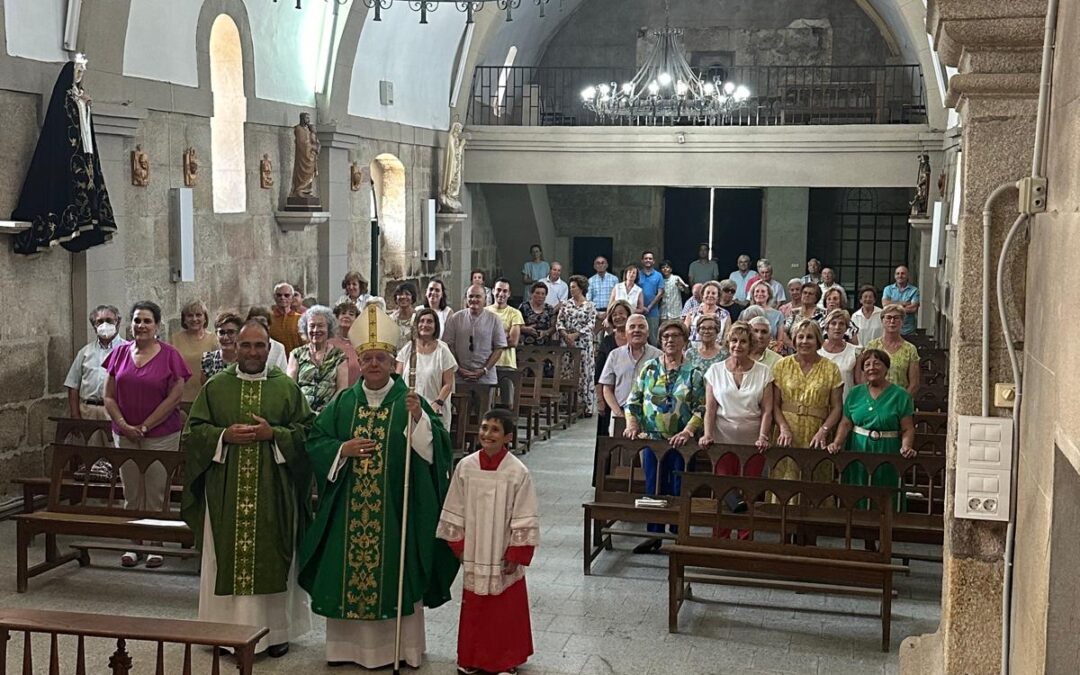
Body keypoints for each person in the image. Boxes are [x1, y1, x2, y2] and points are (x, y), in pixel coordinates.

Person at [298, 303, 458, 669]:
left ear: (392, 364)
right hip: (348, 511)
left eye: (380, 359)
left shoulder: (409, 401)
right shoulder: (343, 403)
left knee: (395, 575)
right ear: (360, 362)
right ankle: (345, 650)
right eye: (367, 358)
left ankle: (398, 649)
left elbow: (437, 452)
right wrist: (342, 449)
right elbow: (316, 441)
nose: (373, 365)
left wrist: (420, 420)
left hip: (396, 511)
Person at [180, 319, 314, 657]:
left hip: (274, 492)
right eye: (246, 345)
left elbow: (308, 432)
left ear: (269, 349)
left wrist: (277, 435)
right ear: (235, 347)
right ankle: (223, 633)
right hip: (225, 494)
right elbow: (193, 433)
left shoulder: (285, 387)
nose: (253, 352)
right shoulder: (215, 387)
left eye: (259, 346)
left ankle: (276, 633)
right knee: (223, 555)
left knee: (274, 554)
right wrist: (223, 436)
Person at [437, 408, 538, 675]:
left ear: (508, 436)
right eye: (483, 428)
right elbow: (454, 507)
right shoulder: (466, 467)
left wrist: (516, 552)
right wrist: (457, 544)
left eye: (494, 429)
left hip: (502, 550)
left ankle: (505, 660)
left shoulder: (517, 472)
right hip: (474, 548)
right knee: (475, 607)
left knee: (504, 608)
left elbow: (524, 513)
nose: (487, 434)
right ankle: (471, 657)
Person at [103, 300, 191, 569]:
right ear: (130, 325)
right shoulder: (119, 354)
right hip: (125, 433)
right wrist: (125, 424)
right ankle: (133, 544)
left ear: (157, 325)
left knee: (155, 492)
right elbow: (108, 396)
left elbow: (175, 396)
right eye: (137, 320)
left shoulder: (170, 355)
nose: (141, 326)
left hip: (161, 434)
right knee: (131, 491)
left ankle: (155, 544)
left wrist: (146, 426)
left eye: (147, 321)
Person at [623, 320, 704, 553]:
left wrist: (688, 431)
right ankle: (653, 534)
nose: (670, 340)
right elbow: (633, 401)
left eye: (676, 336)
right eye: (666, 336)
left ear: (685, 341)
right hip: (652, 439)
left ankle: (679, 532)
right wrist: (632, 423)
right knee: (654, 485)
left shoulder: (694, 373)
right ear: (661, 340)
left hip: (682, 441)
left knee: (679, 486)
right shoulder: (649, 368)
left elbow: (701, 408)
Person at [700, 321, 774, 538]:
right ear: (727, 343)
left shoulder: (764, 372)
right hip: (723, 439)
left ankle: (745, 536)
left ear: (750, 344)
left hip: (753, 441)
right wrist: (707, 434)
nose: (738, 345)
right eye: (733, 340)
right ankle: (721, 535)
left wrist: (763, 436)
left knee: (749, 490)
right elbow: (710, 408)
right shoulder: (715, 370)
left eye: (743, 341)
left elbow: (767, 410)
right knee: (725, 489)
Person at [828, 348, 917, 511]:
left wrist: (906, 446)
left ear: (886, 367)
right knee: (858, 490)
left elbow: (907, 428)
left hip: (888, 450)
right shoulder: (855, 393)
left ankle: (885, 529)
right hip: (859, 448)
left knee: (885, 492)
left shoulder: (900, 395)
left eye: (877, 363)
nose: (872, 368)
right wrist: (837, 443)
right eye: (867, 364)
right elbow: (846, 423)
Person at [771, 320, 843, 485]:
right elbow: (774, 404)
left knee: (814, 481)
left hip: (816, 431)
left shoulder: (831, 368)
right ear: (794, 340)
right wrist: (783, 427)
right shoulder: (782, 365)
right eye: (800, 337)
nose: (804, 341)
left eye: (809, 337)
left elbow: (837, 407)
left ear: (818, 340)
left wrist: (823, 431)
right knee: (787, 480)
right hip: (787, 432)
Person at [65, 305, 126, 438]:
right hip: (88, 412)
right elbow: (73, 385)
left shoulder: (128, 350)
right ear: (94, 326)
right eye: (99, 321)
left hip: (116, 412)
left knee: (115, 454)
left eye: (109, 321)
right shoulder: (85, 352)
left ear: (118, 322)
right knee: (89, 454)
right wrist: (75, 416)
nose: (105, 325)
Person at [599, 314, 662, 437]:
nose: (636, 330)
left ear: (648, 333)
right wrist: (619, 413)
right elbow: (607, 388)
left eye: (641, 327)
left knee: (646, 454)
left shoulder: (659, 356)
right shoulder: (614, 355)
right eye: (632, 327)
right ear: (626, 333)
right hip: (619, 414)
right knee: (618, 454)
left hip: (649, 418)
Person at [397, 308, 458, 431]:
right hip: (409, 408)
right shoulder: (408, 348)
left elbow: (448, 384)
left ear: (436, 326)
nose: (425, 325)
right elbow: (397, 378)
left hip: (434, 408)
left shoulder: (443, 350)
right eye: (422, 321)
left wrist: (438, 402)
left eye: (429, 321)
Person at [286, 305, 347, 414]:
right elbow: (290, 388)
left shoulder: (339, 356)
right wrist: (304, 412)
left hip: (330, 414)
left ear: (329, 328)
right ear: (306, 328)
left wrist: (326, 412)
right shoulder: (296, 354)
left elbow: (342, 389)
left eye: (320, 326)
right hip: (301, 414)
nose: (315, 330)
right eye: (312, 326)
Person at [444, 284, 507, 386]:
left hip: (486, 378)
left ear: (485, 299)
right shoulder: (455, 318)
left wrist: (484, 370)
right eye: (471, 296)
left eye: (478, 296)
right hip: (459, 377)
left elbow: (499, 348)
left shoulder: (494, 320)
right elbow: (448, 346)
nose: (474, 299)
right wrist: (458, 369)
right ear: (466, 299)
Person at [557, 275, 597, 415]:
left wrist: (576, 334)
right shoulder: (566, 304)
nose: (571, 289)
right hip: (567, 344)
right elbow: (559, 321)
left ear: (581, 288)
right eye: (570, 287)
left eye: (573, 287)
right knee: (567, 372)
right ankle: (565, 404)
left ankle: (585, 405)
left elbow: (591, 324)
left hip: (583, 343)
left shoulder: (590, 305)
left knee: (584, 372)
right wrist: (564, 334)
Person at [864, 304, 921, 396]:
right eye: (888, 317)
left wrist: (902, 401)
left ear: (902, 322)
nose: (892, 321)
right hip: (874, 399)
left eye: (896, 318)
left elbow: (914, 384)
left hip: (899, 401)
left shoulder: (910, 349)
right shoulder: (872, 346)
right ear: (882, 321)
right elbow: (864, 377)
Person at [594, 300, 632, 436]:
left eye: (621, 313)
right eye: (614, 314)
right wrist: (600, 400)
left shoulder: (639, 339)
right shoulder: (607, 341)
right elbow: (598, 373)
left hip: (632, 396)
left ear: (628, 315)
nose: (618, 317)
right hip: (609, 395)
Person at [171, 299, 218, 404]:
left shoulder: (213, 340)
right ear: (184, 319)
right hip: (179, 398)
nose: (194, 319)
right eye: (190, 315)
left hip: (205, 398)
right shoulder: (175, 339)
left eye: (198, 315)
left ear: (205, 318)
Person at [487, 278, 525, 406]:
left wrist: (491, 338)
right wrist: (504, 334)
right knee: (487, 401)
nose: (501, 294)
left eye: (505, 291)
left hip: (506, 363)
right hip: (487, 363)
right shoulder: (485, 312)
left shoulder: (515, 313)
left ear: (509, 294)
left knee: (507, 402)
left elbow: (513, 341)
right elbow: (480, 339)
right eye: (498, 290)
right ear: (493, 291)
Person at [819, 309, 861, 401]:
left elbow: (859, 383)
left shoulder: (855, 352)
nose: (837, 327)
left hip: (846, 403)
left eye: (841, 324)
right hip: (820, 405)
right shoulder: (817, 350)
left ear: (846, 328)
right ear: (827, 327)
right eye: (833, 323)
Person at [684, 280, 731, 346]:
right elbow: (684, 332)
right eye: (707, 292)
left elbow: (726, 336)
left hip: (716, 350)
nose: (710, 295)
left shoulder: (725, 314)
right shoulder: (692, 312)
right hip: (693, 349)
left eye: (713, 293)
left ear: (718, 297)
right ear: (703, 295)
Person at [782, 282, 825, 352]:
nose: (807, 295)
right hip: (792, 351)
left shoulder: (822, 315)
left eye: (810, 294)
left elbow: (822, 338)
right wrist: (795, 346)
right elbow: (783, 332)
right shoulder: (794, 313)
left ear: (816, 298)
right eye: (805, 293)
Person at [201, 312, 244, 381]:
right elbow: (205, 388)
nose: (225, 337)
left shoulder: (245, 360)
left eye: (231, 332)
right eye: (221, 332)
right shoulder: (208, 360)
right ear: (216, 334)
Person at [246, 307, 289, 372]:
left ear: (269, 325)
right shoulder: (243, 345)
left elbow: (283, 373)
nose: (259, 324)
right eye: (255, 321)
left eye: (262, 321)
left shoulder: (278, 347)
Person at [330, 302, 362, 386]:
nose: (346, 316)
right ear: (337, 318)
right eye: (343, 313)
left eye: (351, 314)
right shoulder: (328, 342)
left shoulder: (362, 343)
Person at [882, 265, 920, 335]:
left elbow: (913, 308)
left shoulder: (914, 290)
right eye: (898, 273)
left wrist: (892, 306)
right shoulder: (888, 289)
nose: (900, 276)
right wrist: (904, 303)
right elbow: (885, 305)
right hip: (891, 329)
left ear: (908, 276)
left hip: (908, 330)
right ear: (895, 276)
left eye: (903, 273)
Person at [637, 251, 665, 342]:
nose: (648, 260)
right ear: (642, 261)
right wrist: (641, 307)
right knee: (638, 338)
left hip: (653, 312)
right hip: (638, 311)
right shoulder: (637, 274)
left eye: (650, 259)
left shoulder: (658, 275)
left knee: (653, 339)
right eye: (645, 258)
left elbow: (660, 293)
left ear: (653, 261)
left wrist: (649, 307)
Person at [270, 282, 304, 354]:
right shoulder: (269, 319)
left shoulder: (301, 319)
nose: (282, 298)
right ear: (274, 297)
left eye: (286, 295)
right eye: (279, 295)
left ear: (292, 297)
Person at [389, 282, 418, 348]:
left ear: (412, 297)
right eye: (400, 294)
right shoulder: (390, 319)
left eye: (407, 294)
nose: (403, 297)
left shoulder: (418, 318)